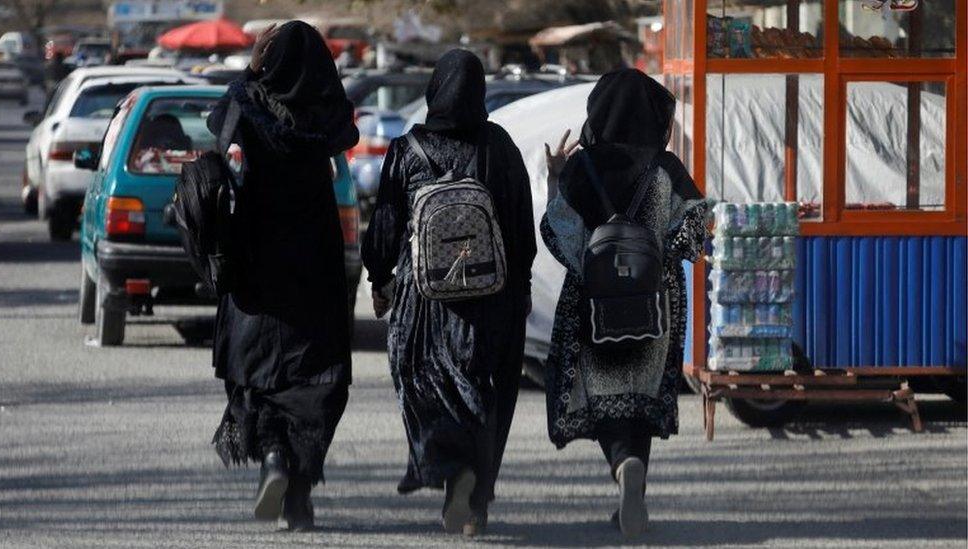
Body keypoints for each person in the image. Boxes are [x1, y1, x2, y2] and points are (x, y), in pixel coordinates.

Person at [362, 49, 536, 537]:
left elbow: (387, 225)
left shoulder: (407, 149)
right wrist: (520, 286)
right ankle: (475, 497)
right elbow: (521, 226)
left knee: (427, 387)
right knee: (486, 396)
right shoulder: (500, 146)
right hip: (490, 300)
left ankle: (449, 473)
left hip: (426, 304)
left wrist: (380, 279)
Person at [541, 69, 710, 539]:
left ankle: (621, 464)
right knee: (640, 394)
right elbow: (696, 232)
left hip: (594, 304)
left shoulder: (581, 167)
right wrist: (659, 252)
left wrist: (557, 179)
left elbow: (558, 232)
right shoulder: (667, 168)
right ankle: (633, 474)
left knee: (605, 395)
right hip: (655, 303)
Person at [207, 21, 358, 532]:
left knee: (256, 366)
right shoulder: (326, 115)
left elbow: (217, 120)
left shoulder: (255, 106)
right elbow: (347, 129)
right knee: (316, 371)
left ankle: (273, 456)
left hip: (256, 252)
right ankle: (297, 495)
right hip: (314, 254)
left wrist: (250, 71)